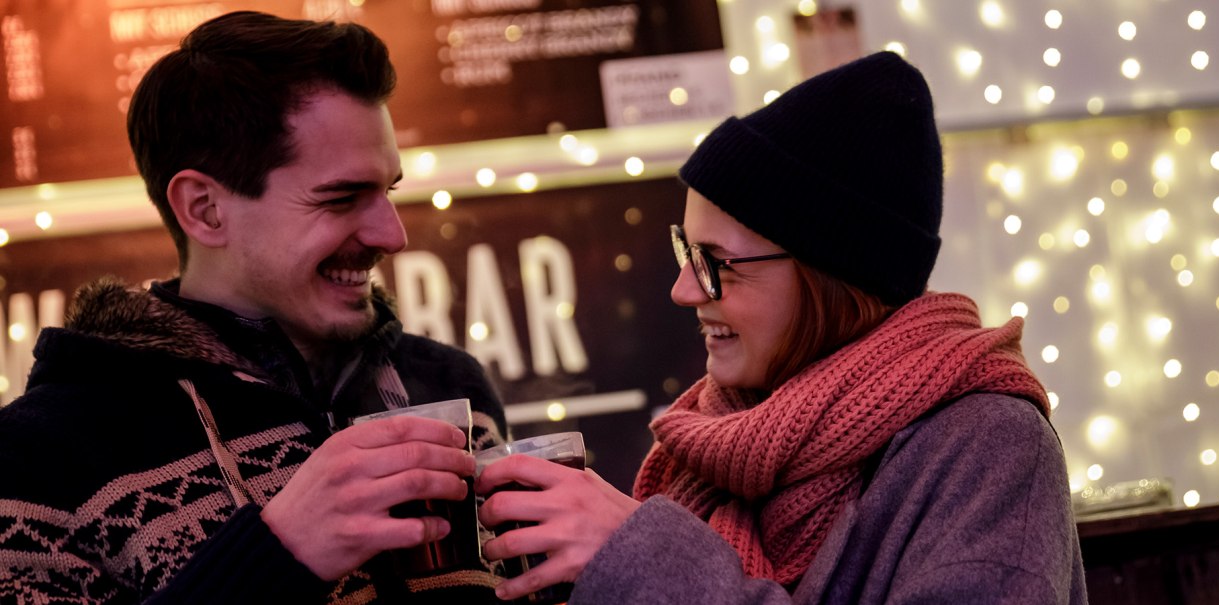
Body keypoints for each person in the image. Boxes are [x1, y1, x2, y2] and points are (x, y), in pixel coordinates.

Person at [475, 52, 1087, 603]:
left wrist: (637, 557)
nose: (684, 289)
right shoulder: (712, 447)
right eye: (685, 252)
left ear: (830, 273)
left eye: (717, 264)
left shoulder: (989, 446)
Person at [0, 11, 507, 604]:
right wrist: (273, 555)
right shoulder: (40, 458)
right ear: (205, 209)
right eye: (342, 197)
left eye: (388, 190)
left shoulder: (446, 385)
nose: (392, 235)